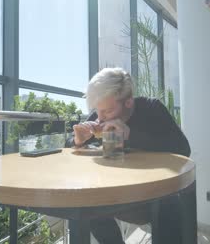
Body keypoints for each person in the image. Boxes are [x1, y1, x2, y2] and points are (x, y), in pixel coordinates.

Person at [65, 68, 191, 244]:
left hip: (152, 195)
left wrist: (132, 135)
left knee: (170, 208)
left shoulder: (152, 108)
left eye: (107, 112)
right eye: (97, 111)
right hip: (115, 194)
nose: (99, 118)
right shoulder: (100, 113)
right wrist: (78, 140)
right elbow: (68, 143)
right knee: (83, 203)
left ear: (129, 102)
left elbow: (183, 148)